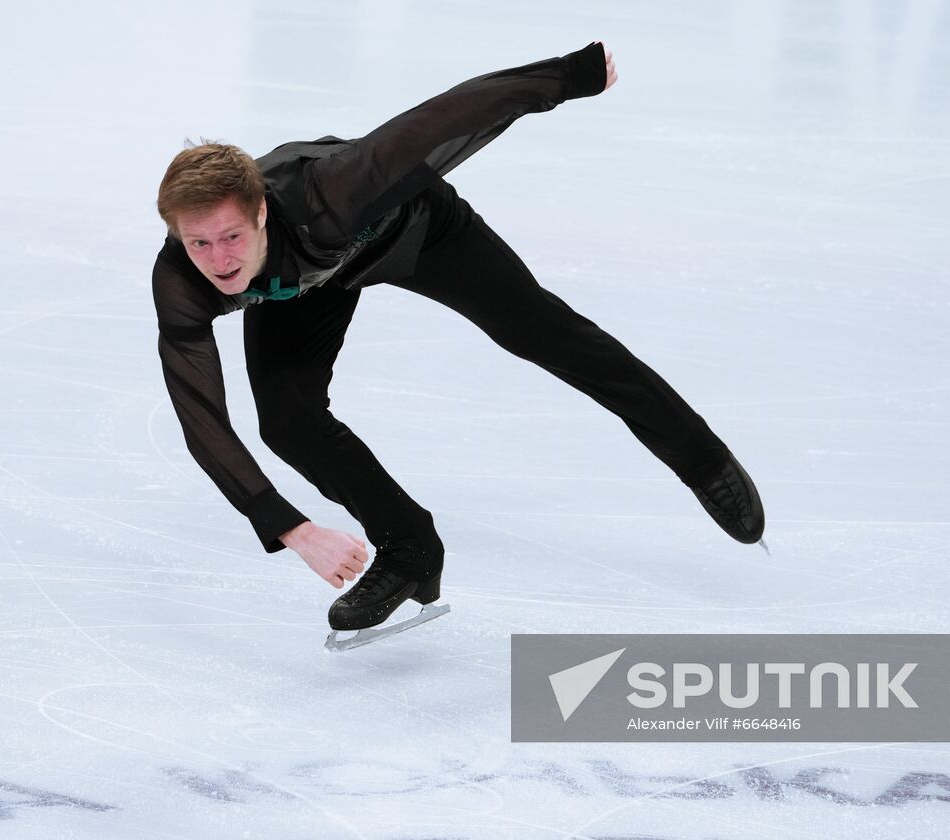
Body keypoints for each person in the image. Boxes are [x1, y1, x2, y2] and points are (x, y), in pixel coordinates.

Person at [152, 41, 764, 635]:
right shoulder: (182, 278)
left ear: (260, 212)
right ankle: (409, 547)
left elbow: (442, 118)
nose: (218, 259)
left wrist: (566, 77)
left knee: (542, 332)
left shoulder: (331, 192)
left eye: (230, 236)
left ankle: (700, 456)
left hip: (417, 236)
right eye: (198, 242)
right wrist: (292, 528)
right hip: (307, 286)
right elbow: (201, 417)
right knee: (288, 421)